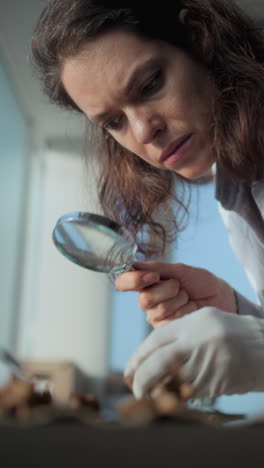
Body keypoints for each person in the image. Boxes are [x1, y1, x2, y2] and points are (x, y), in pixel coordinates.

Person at [32, 0, 264, 399]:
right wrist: (235, 312)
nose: (143, 131)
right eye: (114, 122)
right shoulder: (235, 187)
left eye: (150, 85)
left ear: (199, 39)